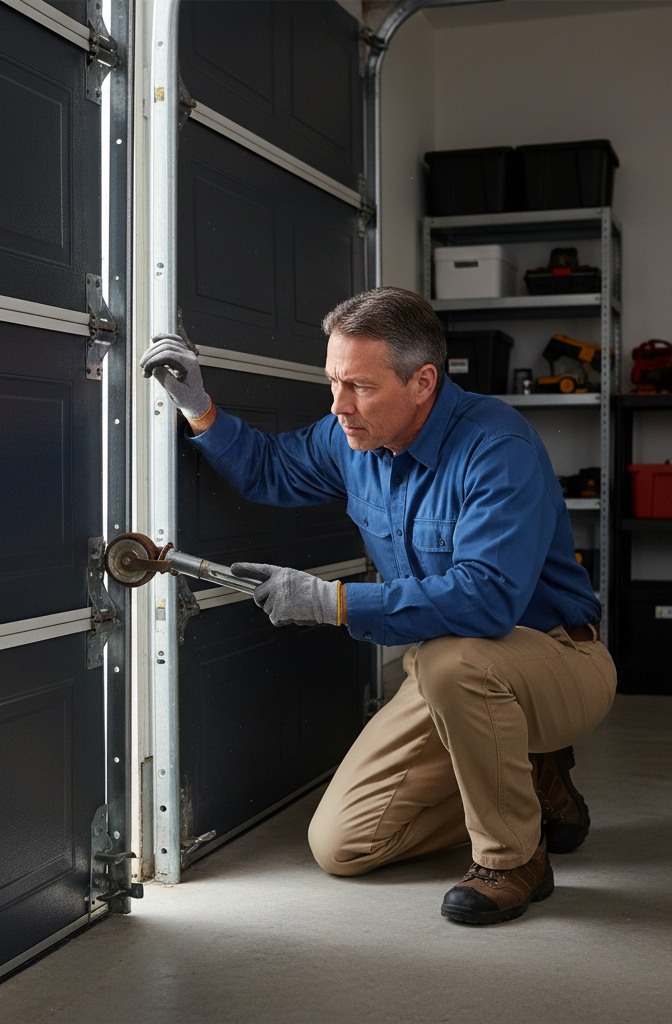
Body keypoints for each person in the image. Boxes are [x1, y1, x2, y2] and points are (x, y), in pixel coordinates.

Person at [140, 287, 617, 925]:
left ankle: (512, 859)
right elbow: (271, 470)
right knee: (344, 844)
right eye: (333, 382)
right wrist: (197, 406)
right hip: (458, 679)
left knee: (452, 661)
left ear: (423, 382)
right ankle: (530, 779)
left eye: (359, 386)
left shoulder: (496, 448)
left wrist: (332, 602)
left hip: (557, 658)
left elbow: (487, 599)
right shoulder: (354, 438)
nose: (338, 406)